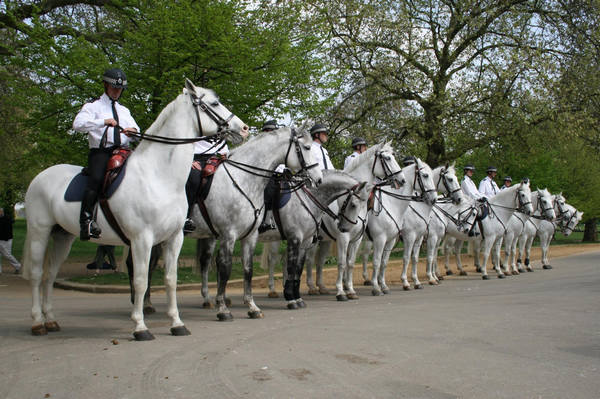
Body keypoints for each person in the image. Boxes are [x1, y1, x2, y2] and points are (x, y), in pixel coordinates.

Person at [73, 68, 140, 240]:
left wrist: (133, 132)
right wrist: (103, 122)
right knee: (96, 178)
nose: (117, 92)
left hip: (124, 151)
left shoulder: (124, 111)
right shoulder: (93, 106)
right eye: (114, 88)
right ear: (105, 85)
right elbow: (78, 124)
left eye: (119, 89)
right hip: (102, 151)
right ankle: (86, 221)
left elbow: (137, 130)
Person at [183, 129, 231, 233]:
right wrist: (188, 159)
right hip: (196, 158)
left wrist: (223, 155)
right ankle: (185, 217)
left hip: (215, 159)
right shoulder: (197, 125)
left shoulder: (220, 129)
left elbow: (224, 149)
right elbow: (183, 145)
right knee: (194, 179)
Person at [259, 120, 284, 233]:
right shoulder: (260, 145)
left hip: (280, 175)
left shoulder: (279, 146)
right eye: (270, 131)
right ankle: (265, 220)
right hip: (264, 175)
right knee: (269, 191)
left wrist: (285, 170)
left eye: (274, 131)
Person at [0, 207, 21, 274]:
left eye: (0, 211)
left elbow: (8, 229)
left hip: (6, 239)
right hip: (1, 239)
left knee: (7, 255)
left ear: (2, 212)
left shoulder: (7, 218)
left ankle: (18, 266)